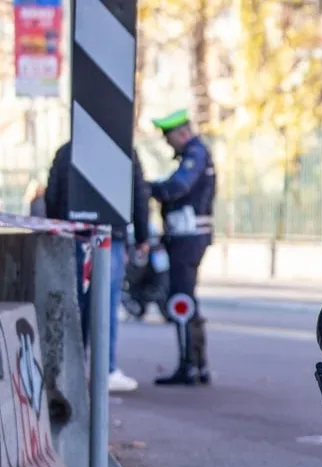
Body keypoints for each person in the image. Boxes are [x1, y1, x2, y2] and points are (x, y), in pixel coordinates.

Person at [44, 141, 151, 393]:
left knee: (74, 303)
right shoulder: (123, 148)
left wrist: (56, 230)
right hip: (108, 236)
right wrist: (142, 235)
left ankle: (73, 368)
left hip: (72, 237)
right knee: (105, 304)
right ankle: (107, 369)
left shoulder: (67, 150)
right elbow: (138, 194)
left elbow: (53, 194)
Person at [147, 108, 217, 386]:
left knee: (182, 300)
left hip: (188, 239)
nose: (167, 143)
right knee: (186, 299)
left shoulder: (195, 155)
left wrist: (148, 188)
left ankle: (189, 366)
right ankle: (197, 365)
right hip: (188, 238)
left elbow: (177, 187)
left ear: (183, 133)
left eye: (169, 137)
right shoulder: (195, 154)